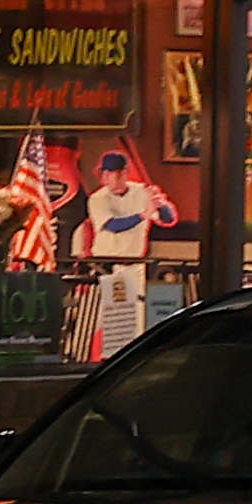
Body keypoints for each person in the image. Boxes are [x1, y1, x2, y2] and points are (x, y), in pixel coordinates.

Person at [76, 144, 176, 353]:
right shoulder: (98, 198)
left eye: (115, 173)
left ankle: (128, 357)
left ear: (124, 173)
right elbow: (114, 226)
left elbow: (168, 220)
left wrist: (161, 203)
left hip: (134, 265)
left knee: (133, 320)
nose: (109, 178)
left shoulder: (141, 192)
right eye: (106, 173)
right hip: (106, 265)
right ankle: (85, 357)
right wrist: (143, 214)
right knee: (98, 319)